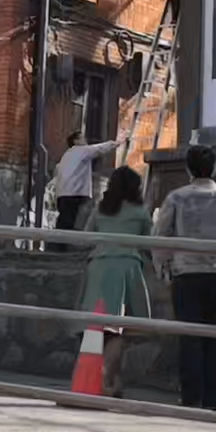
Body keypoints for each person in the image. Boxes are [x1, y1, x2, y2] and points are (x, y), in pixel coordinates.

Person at [153, 145, 216, 409]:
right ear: (214, 168)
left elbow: (160, 237)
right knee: (215, 339)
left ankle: (191, 397)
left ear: (188, 168)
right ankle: (213, 397)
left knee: (189, 339)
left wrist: (164, 269)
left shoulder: (176, 198)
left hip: (186, 274)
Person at [81, 165, 153, 397]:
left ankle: (93, 380)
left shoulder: (101, 208)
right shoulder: (141, 212)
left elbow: (85, 236)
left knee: (96, 327)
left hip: (99, 267)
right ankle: (106, 378)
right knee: (117, 329)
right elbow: (149, 244)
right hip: (127, 269)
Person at [52, 129, 126, 240]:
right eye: (82, 138)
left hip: (62, 193)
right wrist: (116, 143)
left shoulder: (66, 155)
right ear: (75, 141)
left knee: (64, 219)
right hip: (74, 192)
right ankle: (63, 245)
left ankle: (57, 244)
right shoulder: (81, 151)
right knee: (71, 221)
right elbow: (99, 149)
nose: (85, 140)